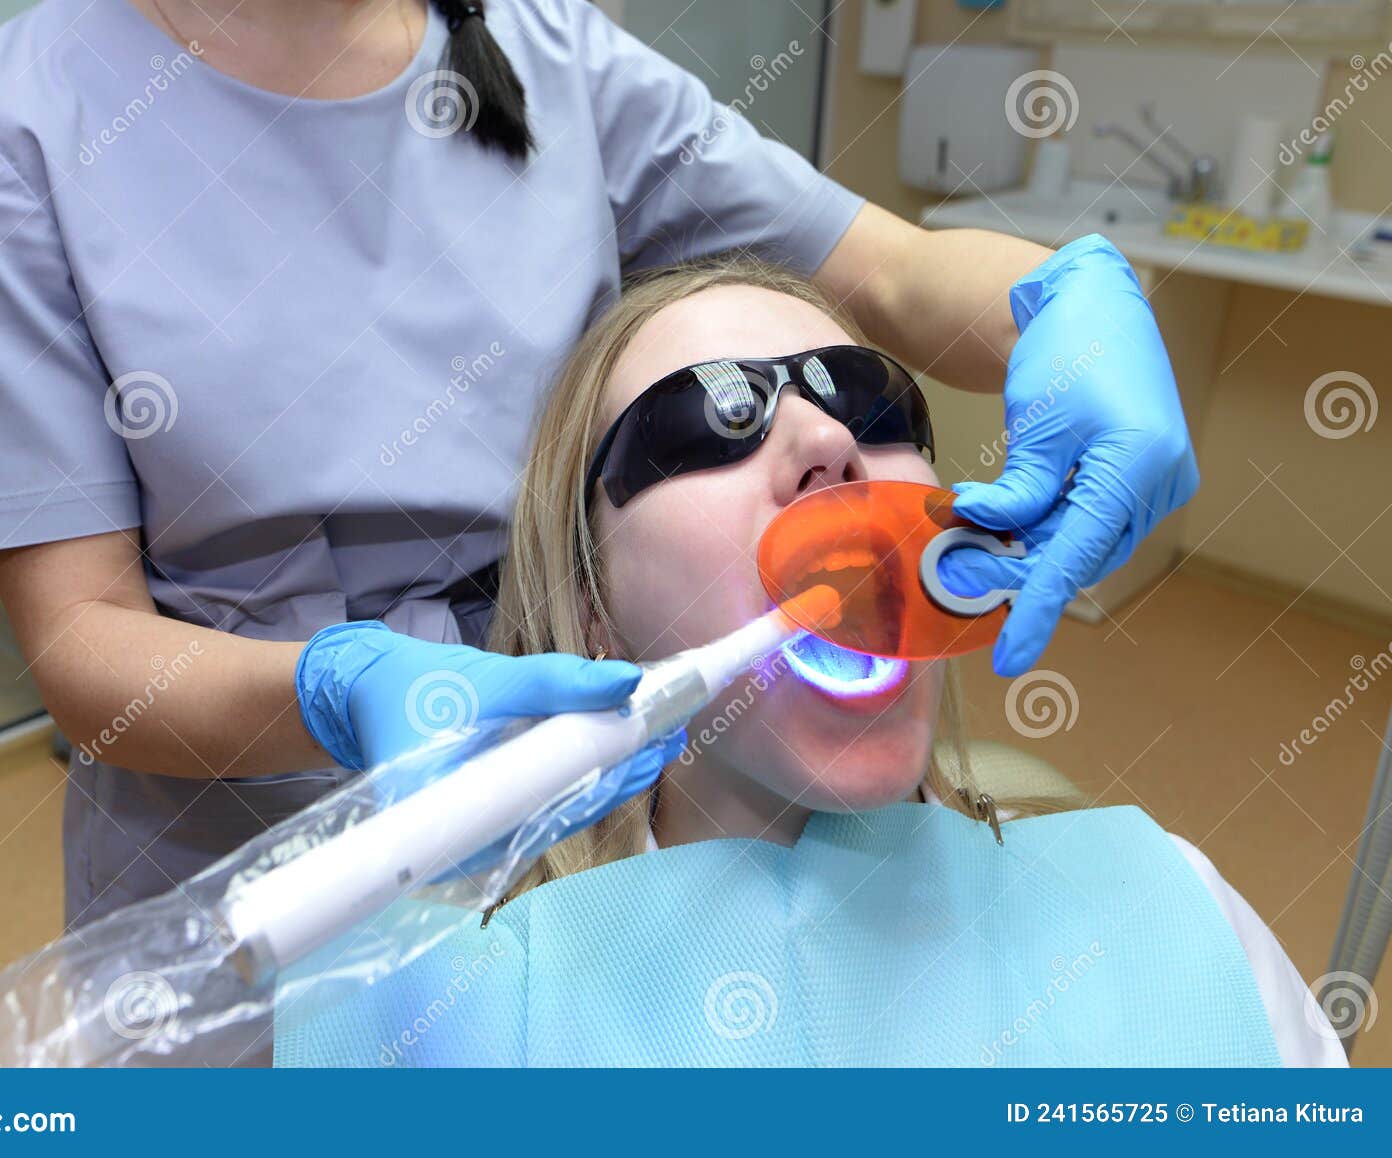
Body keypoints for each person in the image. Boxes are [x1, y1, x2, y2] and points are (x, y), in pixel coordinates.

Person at [0, 0, 1197, 929]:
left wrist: (1066, 298)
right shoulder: (5, 137)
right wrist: (339, 688)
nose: (825, 441)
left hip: (597, 823)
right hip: (248, 861)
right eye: (729, 418)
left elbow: (893, 271)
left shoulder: (542, 49)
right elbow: (83, 637)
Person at [273, 260, 1342, 1067]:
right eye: (709, 419)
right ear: (592, 607)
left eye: (872, 400)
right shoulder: (441, 1024)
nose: (829, 439)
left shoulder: (1176, 921)